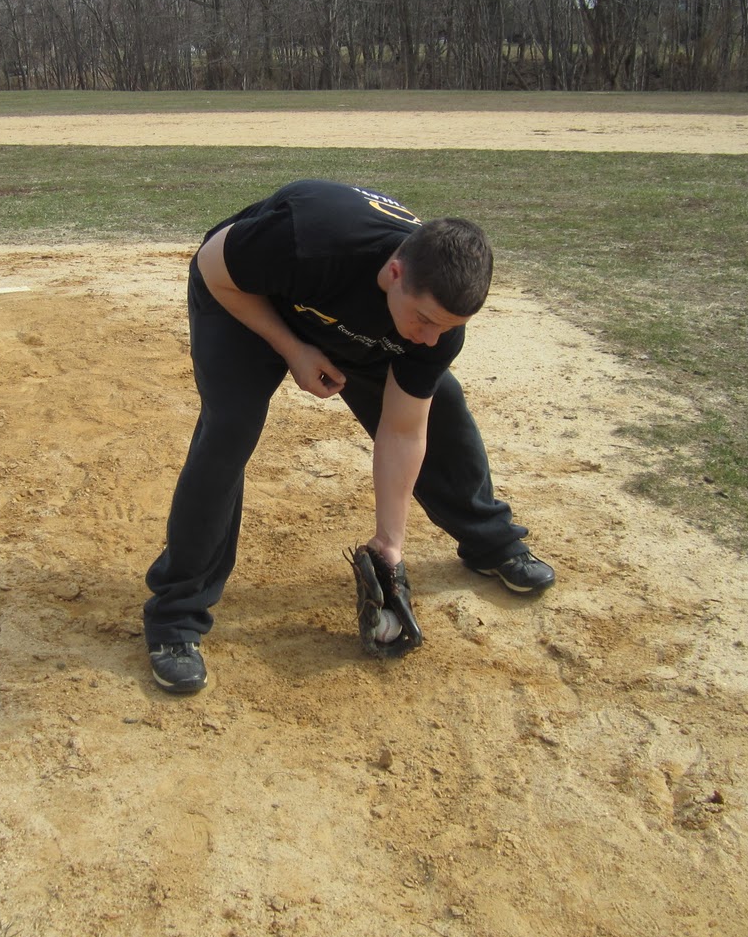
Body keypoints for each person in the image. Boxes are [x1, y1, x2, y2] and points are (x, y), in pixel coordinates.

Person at [144, 179, 555, 694]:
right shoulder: (309, 238)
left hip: (355, 322)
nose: (431, 338)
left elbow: (403, 431)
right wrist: (294, 349)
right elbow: (212, 266)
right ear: (394, 272)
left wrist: (390, 542)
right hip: (249, 300)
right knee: (229, 429)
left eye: (445, 328)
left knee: (442, 407)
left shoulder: (435, 324)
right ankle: (175, 618)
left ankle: (489, 542)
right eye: (426, 320)